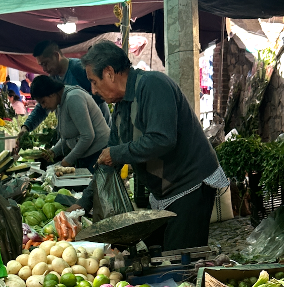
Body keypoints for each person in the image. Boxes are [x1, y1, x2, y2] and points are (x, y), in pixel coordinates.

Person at [68, 41, 228, 251]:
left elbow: (162, 139)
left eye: (94, 82)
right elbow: (108, 161)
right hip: (163, 193)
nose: (93, 90)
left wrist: (116, 153)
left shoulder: (153, 85)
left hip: (190, 186)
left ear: (109, 73)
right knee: (157, 254)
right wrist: (82, 203)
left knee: (180, 259)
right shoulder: (121, 107)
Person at [16, 41, 111, 148]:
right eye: (41, 65)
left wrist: (79, 101)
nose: (44, 69)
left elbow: (102, 95)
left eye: (45, 63)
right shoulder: (53, 78)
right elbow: (42, 108)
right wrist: (26, 127)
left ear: (56, 56)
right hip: (79, 141)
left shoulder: (78, 69)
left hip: (98, 137)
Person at [30, 75, 110, 172]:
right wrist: (54, 151)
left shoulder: (73, 98)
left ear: (51, 94)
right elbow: (68, 137)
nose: (43, 107)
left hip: (98, 155)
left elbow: (88, 136)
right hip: (86, 155)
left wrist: (67, 161)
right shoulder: (59, 103)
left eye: (43, 102)